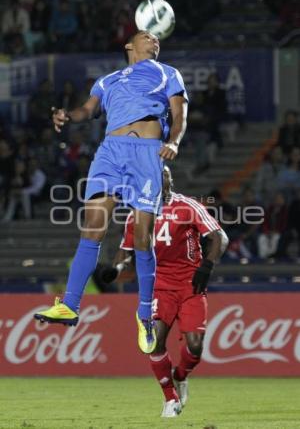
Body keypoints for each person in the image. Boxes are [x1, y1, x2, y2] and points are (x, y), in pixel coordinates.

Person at [34, 30, 188, 355]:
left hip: (147, 152)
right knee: (92, 228)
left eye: (157, 38)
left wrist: (173, 141)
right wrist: (68, 116)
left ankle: (145, 315)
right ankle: (70, 305)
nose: (155, 40)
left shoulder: (168, 73)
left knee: (142, 238)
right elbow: (87, 111)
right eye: (147, 36)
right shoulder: (108, 81)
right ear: (129, 46)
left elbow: (179, 114)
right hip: (110, 151)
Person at [112, 166, 228, 417]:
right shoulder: (137, 213)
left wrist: (206, 267)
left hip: (190, 285)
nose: (161, 183)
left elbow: (220, 237)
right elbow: (126, 249)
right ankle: (169, 399)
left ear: (171, 182)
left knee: (195, 347)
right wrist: (115, 268)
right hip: (159, 286)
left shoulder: (188, 206)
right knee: (154, 340)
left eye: (165, 178)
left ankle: (180, 375)